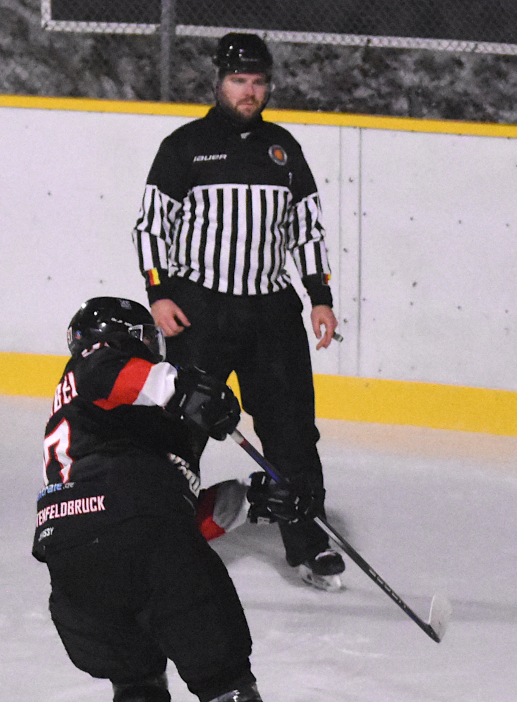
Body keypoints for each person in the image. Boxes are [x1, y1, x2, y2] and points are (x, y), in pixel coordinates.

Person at [34, 296, 325, 702]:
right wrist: (182, 389)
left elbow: (182, 513)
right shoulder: (103, 368)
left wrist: (259, 500)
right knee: (223, 677)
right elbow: (106, 369)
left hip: (72, 553)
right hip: (136, 527)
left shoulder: (117, 427)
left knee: (135, 674)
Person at [132, 31, 346, 591]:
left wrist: (319, 297)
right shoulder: (184, 146)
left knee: (293, 434)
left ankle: (308, 541)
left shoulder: (283, 149)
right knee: (182, 431)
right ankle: (160, 536)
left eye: (258, 82)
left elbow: (306, 229)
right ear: (219, 82)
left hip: (273, 315)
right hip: (200, 311)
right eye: (239, 81)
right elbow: (152, 227)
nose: (249, 92)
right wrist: (159, 294)